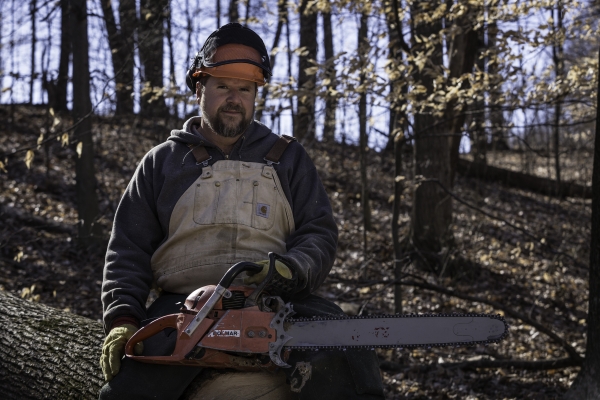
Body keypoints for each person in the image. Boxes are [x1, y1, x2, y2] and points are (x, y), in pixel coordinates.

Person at [99, 23, 384, 400]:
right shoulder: (163, 162)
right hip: (183, 304)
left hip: (275, 300)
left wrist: (291, 268)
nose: (234, 98)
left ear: (255, 95)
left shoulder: (288, 158)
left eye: (245, 89)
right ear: (200, 89)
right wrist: (123, 319)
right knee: (128, 393)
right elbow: (128, 251)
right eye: (223, 86)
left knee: (345, 349)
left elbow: (319, 232)